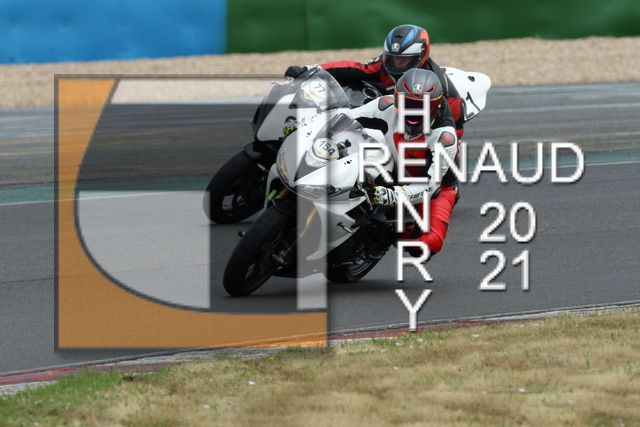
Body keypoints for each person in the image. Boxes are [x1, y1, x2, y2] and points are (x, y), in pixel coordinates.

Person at [340, 68, 460, 259]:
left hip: (435, 187)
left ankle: (390, 232)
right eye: (407, 104)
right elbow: (345, 116)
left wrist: (391, 195)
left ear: (435, 106)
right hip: (393, 162)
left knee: (428, 243)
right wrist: (304, 121)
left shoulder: (444, 137)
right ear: (397, 99)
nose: (413, 112)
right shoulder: (385, 105)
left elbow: (430, 186)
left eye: (422, 107)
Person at [285, 24, 466, 140]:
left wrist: (449, 143)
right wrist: (309, 70)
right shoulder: (384, 66)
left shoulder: (439, 84)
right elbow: (351, 68)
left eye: (404, 60)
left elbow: (456, 122)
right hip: (390, 116)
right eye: (393, 58)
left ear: (421, 56)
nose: (397, 64)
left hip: (419, 129)